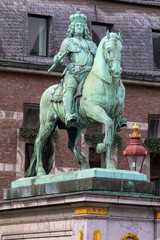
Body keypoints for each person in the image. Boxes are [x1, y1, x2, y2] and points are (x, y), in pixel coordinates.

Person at [49, 11, 97, 125]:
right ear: (73, 28)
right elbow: (60, 56)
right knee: (70, 88)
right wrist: (57, 59)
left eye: (81, 25)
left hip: (89, 73)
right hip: (74, 72)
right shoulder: (68, 42)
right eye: (77, 25)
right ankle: (68, 113)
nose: (79, 27)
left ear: (85, 28)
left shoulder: (92, 45)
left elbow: (97, 60)